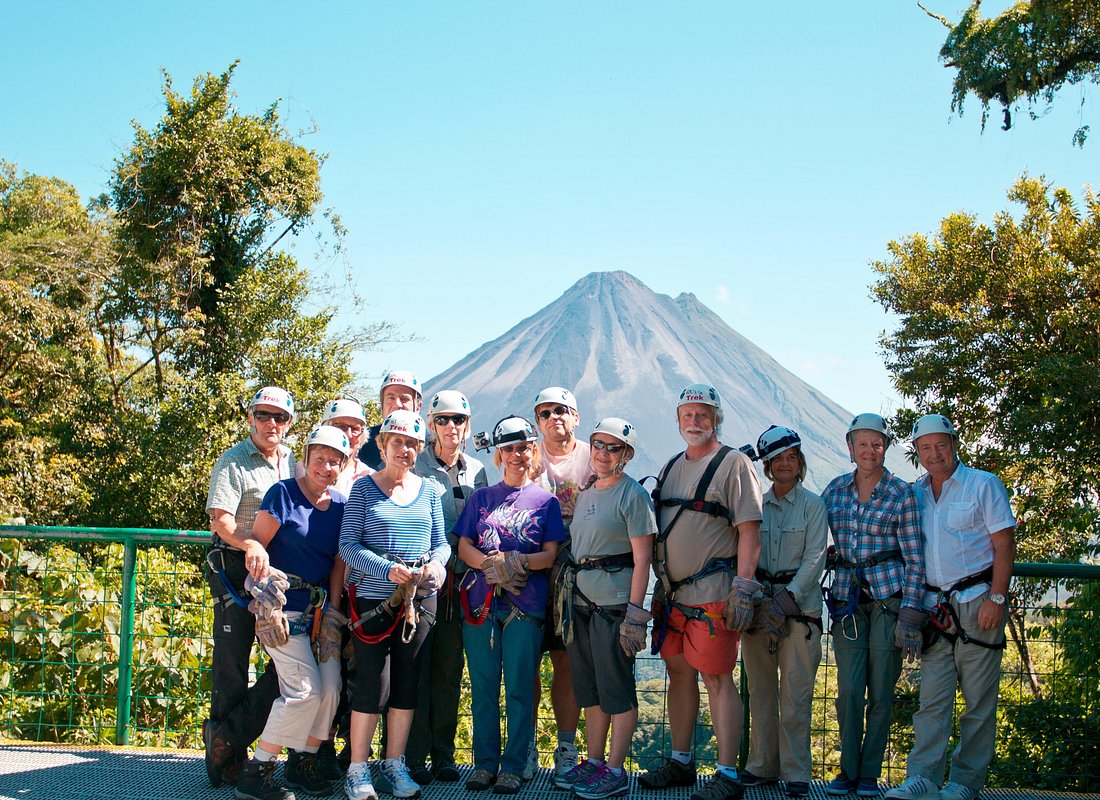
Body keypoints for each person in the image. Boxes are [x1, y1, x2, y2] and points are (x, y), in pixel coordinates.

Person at [640, 383, 762, 800]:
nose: (695, 421)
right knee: (678, 676)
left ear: (717, 418)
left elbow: (749, 532)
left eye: (703, 414)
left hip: (714, 596)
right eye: (688, 414)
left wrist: (743, 589)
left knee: (717, 678)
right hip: (672, 597)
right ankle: (681, 761)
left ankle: (727, 774)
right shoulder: (673, 465)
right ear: (678, 420)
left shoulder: (735, 464)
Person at [885, 415, 1016, 800]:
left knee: (978, 700)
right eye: (925, 448)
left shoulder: (983, 484)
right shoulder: (916, 493)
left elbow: (1004, 544)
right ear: (917, 453)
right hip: (933, 608)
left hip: (978, 602)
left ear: (954, 444)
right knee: (932, 699)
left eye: (940, 445)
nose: (934, 453)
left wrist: (997, 597)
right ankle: (923, 776)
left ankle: (965, 782)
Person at [233, 425, 351, 800]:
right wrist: (265, 603)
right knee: (304, 693)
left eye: (335, 461)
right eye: (320, 459)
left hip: (317, 617)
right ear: (306, 458)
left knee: (331, 690)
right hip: (280, 612)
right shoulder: (283, 494)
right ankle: (258, 770)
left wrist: (333, 613)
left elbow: (337, 563)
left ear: (343, 466)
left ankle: (305, 763)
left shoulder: (342, 509)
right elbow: (257, 546)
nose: (326, 467)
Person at [339, 410, 450, 800]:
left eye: (412, 444)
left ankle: (395, 764)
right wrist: (386, 571)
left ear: (420, 450)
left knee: (407, 684)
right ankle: (357, 769)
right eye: (397, 442)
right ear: (382, 445)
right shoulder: (363, 490)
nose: (405, 450)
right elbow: (348, 546)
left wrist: (436, 566)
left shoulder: (430, 491)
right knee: (373, 685)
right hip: (375, 601)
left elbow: (441, 543)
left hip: (419, 602)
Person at [456, 416, 566, 795]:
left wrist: (517, 562)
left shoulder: (546, 502)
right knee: (484, 687)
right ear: (499, 455)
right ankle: (484, 765)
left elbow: (551, 554)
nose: (517, 455)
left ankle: (514, 766)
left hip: (525, 606)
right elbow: (464, 545)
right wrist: (491, 565)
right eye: (509, 449)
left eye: (523, 448)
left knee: (520, 688)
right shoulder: (481, 499)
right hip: (481, 605)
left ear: (532, 451)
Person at [821, 413, 926, 798]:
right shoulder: (833, 492)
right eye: (862, 443)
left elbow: (915, 558)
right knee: (849, 689)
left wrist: (911, 615)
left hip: (889, 601)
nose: (870, 450)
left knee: (881, 690)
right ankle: (847, 770)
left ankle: (868, 774)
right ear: (850, 448)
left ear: (886, 448)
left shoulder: (901, 494)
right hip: (848, 600)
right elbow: (819, 542)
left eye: (877, 443)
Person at [555, 418, 655, 800]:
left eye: (613, 447)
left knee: (617, 688)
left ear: (626, 455)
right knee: (592, 688)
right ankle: (595, 762)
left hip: (613, 605)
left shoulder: (633, 496)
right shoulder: (589, 491)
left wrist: (635, 614)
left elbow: (643, 559)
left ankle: (615, 770)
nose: (603, 452)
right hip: (581, 602)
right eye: (598, 444)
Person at [204, 386, 297, 788]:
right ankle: (229, 761)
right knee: (232, 665)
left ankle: (227, 738)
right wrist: (250, 543)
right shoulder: (234, 461)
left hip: (278, 580)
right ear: (250, 417)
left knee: (287, 665)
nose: (271, 423)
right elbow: (220, 520)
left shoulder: (294, 461)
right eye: (264, 415)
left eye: (279, 417)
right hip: (233, 572)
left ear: (290, 423)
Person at [739, 426, 828, 799]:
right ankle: (762, 766)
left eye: (791, 457)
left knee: (796, 695)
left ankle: (796, 771)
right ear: (768, 466)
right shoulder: (756, 506)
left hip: (799, 615)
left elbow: (814, 558)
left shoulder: (813, 506)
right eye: (778, 459)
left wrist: (786, 600)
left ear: (800, 462)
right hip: (759, 610)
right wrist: (757, 601)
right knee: (759, 692)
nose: (786, 463)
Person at [406, 390, 489, 785]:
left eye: (458, 420)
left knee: (449, 670)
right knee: (417, 667)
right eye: (443, 419)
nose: (451, 426)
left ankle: (443, 755)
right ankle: (413, 755)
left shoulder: (478, 470)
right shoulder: (415, 465)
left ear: (467, 425)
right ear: (430, 424)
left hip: (463, 587)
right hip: (423, 584)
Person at [531, 386, 593, 782]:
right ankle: (524, 747)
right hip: (533, 573)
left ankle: (567, 746)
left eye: (562, 410)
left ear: (576, 416)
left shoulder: (595, 454)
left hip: (579, 577)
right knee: (525, 664)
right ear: (537, 420)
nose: (555, 417)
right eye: (546, 412)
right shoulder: (524, 454)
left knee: (566, 662)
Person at [359, 371, 422, 471]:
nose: (397, 404)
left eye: (404, 399)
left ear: (418, 406)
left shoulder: (431, 445)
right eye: (390, 398)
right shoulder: (363, 444)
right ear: (382, 405)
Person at [321, 397, 374, 495]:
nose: (348, 435)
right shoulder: (303, 470)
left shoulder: (371, 478)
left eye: (355, 429)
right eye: (341, 426)